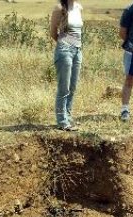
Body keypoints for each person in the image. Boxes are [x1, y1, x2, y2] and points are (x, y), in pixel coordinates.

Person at [50, 0, 83, 131]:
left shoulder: (79, 7)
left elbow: (79, 31)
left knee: (73, 86)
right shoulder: (59, 8)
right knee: (64, 88)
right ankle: (62, 121)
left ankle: (68, 117)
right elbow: (53, 32)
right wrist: (64, 44)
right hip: (64, 50)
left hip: (78, 50)